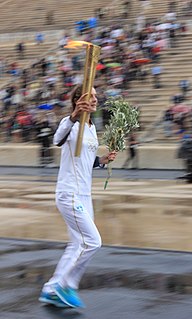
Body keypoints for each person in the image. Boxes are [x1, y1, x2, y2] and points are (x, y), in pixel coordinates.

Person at [39, 84, 117, 308]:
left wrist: (102, 161)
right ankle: (64, 286)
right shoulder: (71, 123)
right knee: (93, 241)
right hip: (69, 193)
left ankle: (50, 289)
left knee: (76, 244)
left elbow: (86, 161)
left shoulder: (91, 128)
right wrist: (74, 115)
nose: (94, 99)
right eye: (89, 96)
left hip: (84, 194)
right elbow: (57, 139)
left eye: (95, 96)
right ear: (77, 100)